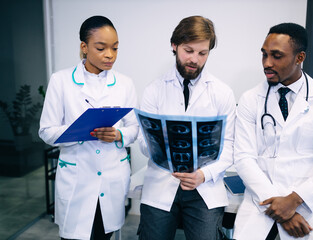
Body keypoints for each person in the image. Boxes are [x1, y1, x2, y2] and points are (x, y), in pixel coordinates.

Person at [232, 22, 313, 239]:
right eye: (264, 54)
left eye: (276, 56)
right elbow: (243, 159)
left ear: (300, 58)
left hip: (307, 205)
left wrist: (294, 200)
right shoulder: (250, 99)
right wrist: (282, 209)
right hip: (262, 202)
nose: (267, 63)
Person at [39, 15, 138, 240]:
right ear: (84, 47)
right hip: (77, 179)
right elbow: (46, 130)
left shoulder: (125, 83)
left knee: (104, 234)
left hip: (112, 177)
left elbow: (134, 128)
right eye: (101, 48)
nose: (110, 55)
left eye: (115, 48)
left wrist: (118, 134)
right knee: (74, 236)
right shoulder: (61, 81)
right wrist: (79, 132)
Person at [137, 16, 236, 240]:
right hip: (162, 182)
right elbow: (143, 142)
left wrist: (203, 174)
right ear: (175, 45)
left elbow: (229, 145)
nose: (194, 59)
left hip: (205, 186)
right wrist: (157, 146)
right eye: (188, 50)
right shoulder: (154, 90)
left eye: (202, 53)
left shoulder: (222, 93)